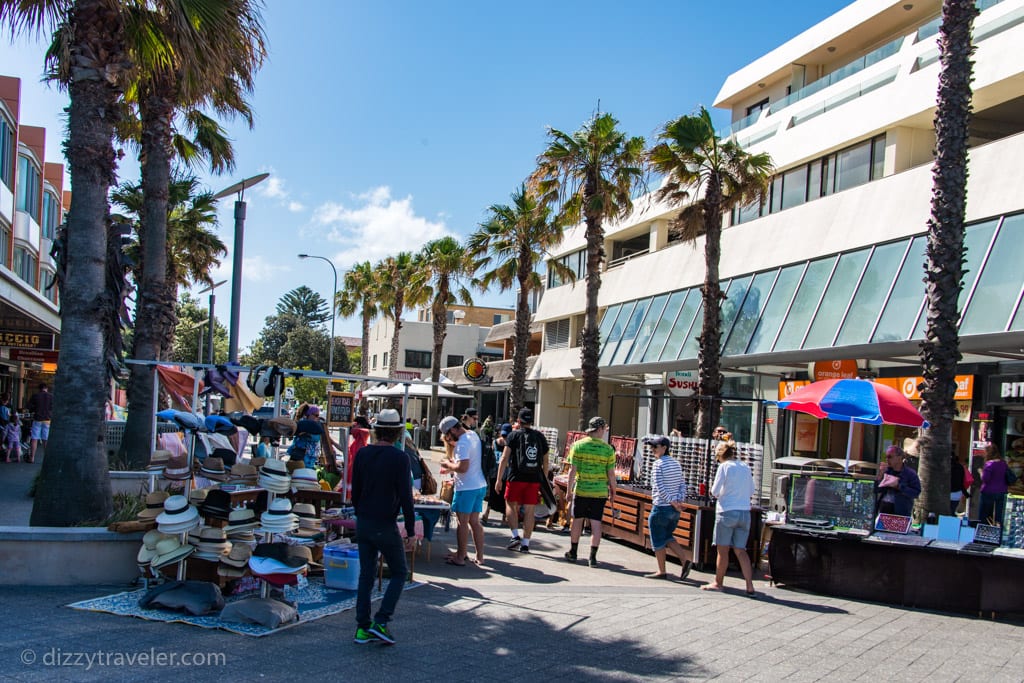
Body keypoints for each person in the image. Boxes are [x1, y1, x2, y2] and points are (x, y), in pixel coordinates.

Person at [351, 408, 417, 646]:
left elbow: (355, 491)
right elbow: (406, 498)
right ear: (398, 432)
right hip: (385, 522)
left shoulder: (363, 454)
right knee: (400, 572)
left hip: (364, 521)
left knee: (366, 575)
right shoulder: (400, 458)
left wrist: (360, 512)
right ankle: (381, 620)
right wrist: (410, 530)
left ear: (377, 430)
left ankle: (362, 627)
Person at [702, 434, 756, 594]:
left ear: (720, 455)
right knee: (741, 550)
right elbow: (752, 490)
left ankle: (718, 583)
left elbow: (715, 491)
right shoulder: (745, 467)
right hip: (745, 512)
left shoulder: (724, 467)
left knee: (722, 550)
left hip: (726, 511)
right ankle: (749, 586)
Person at [564, 416, 616, 568]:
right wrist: (614, 491)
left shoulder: (578, 446)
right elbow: (611, 474)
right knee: (596, 523)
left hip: (581, 490)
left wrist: (568, 490)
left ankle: (573, 552)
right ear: (599, 429)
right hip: (599, 492)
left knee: (577, 520)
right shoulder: (607, 449)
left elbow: (572, 471)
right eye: (604, 429)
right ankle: (592, 557)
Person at [495, 408, 549, 553]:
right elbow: (546, 461)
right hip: (533, 479)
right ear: (531, 421)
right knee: (530, 510)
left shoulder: (513, 436)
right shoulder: (540, 437)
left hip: (515, 477)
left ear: (518, 421)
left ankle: (514, 536)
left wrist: (499, 479)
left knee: (510, 504)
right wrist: (543, 481)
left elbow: (504, 458)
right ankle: (525, 543)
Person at [438, 415, 487, 565]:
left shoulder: (462, 443)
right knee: (474, 521)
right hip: (479, 484)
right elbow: (468, 463)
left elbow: (462, 467)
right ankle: (479, 556)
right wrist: (454, 464)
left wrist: (448, 465)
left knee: (462, 522)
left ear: (453, 429)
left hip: (466, 487)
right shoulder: (473, 435)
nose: (447, 438)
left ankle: (460, 557)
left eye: (447, 435)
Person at [643, 435, 693, 580]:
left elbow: (659, 486)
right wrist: (678, 501)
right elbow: (682, 485)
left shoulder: (658, 464)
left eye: (655, 447)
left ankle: (662, 570)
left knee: (658, 540)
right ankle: (684, 560)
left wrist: (672, 502)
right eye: (652, 447)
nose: (652, 449)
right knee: (667, 537)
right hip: (673, 509)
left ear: (664, 448)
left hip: (661, 507)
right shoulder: (676, 464)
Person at [875, 445, 921, 516]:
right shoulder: (886, 471)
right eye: (886, 457)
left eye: (890, 457)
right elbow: (876, 490)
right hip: (883, 509)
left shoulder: (910, 474)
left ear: (899, 457)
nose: (887, 459)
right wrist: (880, 476)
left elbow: (916, 493)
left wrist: (898, 486)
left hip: (900, 511)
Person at [483, 422, 511, 525]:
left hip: (505, 473)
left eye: (506, 435)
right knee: (492, 494)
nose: (504, 437)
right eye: (503, 435)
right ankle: (487, 513)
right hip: (494, 472)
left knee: (504, 494)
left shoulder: (510, 445)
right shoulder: (494, 443)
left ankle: (504, 516)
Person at [979, 443, 1011, 525]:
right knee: (999, 514)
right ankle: (998, 530)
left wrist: (980, 472)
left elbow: (985, 479)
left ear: (988, 453)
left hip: (988, 491)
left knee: (984, 514)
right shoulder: (1003, 464)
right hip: (1002, 491)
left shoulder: (989, 464)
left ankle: (984, 532)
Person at [27, 383, 53, 463]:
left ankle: (32, 458)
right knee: (46, 439)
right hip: (47, 420)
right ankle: (46, 459)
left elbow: (29, 407)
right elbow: (52, 407)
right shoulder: (51, 396)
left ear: (39, 389)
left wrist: (35, 409)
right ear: (46, 388)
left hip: (37, 419)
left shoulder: (35, 396)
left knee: (34, 439)